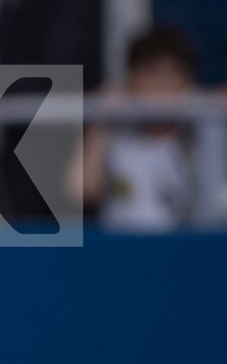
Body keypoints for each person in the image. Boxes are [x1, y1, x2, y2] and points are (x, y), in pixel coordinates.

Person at [78, 25, 200, 232]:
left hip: (183, 251)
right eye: (151, 73)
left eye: (170, 74)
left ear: (188, 82)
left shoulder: (201, 136)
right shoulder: (115, 135)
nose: (160, 87)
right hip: (123, 250)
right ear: (131, 80)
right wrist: (99, 122)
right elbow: (82, 190)